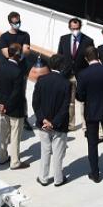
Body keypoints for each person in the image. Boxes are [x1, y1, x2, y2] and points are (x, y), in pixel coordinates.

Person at [75, 46, 103, 182]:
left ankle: (95, 173)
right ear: (98, 56)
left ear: (86, 59)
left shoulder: (82, 74)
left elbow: (80, 96)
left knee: (92, 143)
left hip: (92, 111)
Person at [32, 53, 72, 187]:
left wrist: (43, 120)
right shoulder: (66, 83)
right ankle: (58, 179)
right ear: (61, 66)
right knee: (58, 154)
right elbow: (65, 107)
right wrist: (53, 123)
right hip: (59, 126)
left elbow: (35, 103)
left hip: (43, 124)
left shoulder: (41, 80)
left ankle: (43, 178)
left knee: (45, 151)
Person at [0, 42, 29, 169]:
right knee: (15, 135)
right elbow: (17, 93)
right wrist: (7, 106)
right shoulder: (18, 71)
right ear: (17, 55)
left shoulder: (1, 66)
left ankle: (2, 157)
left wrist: (0, 104)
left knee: (3, 133)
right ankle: (15, 161)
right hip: (14, 109)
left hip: (2, 107)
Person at [57, 17, 94, 130]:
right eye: (73, 28)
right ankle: (70, 124)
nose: (75, 30)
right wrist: (62, 70)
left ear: (80, 27)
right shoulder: (63, 39)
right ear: (69, 28)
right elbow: (60, 56)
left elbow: (91, 58)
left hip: (82, 75)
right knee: (69, 101)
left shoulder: (88, 41)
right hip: (67, 74)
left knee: (83, 101)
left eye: (77, 28)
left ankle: (85, 125)